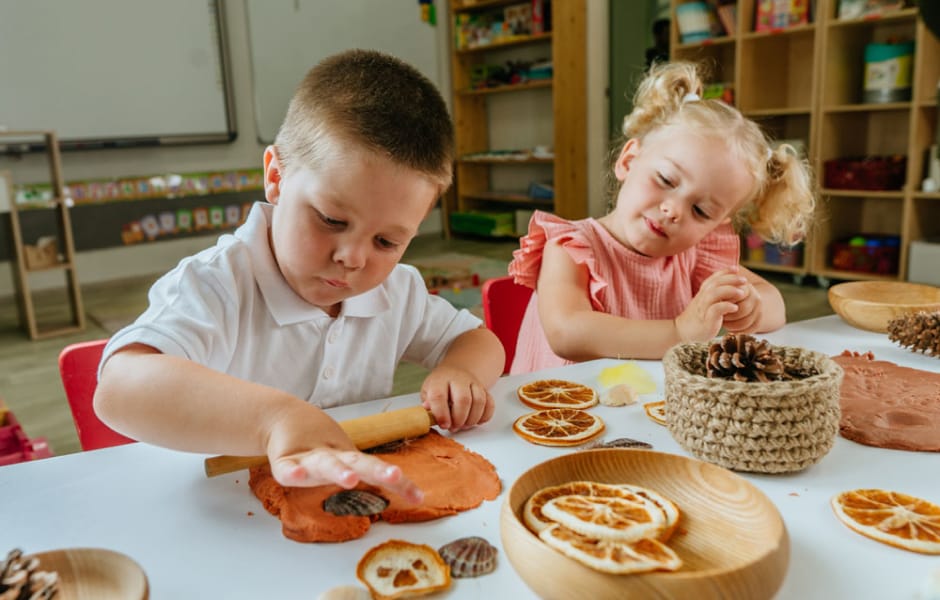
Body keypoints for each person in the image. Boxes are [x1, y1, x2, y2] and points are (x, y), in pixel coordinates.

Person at [94, 50, 505, 504]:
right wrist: (273, 420)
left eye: (386, 242)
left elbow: (479, 341)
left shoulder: (395, 290)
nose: (352, 258)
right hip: (229, 513)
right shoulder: (219, 283)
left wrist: (461, 370)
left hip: (348, 507)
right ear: (275, 176)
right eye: (330, 219)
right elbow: (118, 389)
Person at [508, 60, 814, 374]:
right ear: (628, 160)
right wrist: (678, 332)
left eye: (700, 211)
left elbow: (774, 302)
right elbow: (567, 333)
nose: (673, 210)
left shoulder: (695, 256)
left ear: (716, 225)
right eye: (666, 180)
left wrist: (753, 308)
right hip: (557, 408)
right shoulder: (570, 247)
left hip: (640, 406)